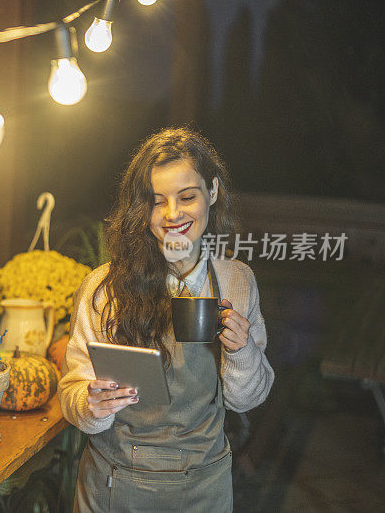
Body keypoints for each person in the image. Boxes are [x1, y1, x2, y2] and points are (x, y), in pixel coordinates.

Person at [58, 127, 274, 512]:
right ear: (142, 210)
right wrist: (92, 404)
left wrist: (242, 352)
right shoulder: (104, 288)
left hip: (205, 485)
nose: (174, 215)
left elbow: (246, 400)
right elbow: (72, 394)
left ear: (213, 192)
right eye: (158, 202)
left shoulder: (235, 281)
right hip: (116, 484)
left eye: (187, 197)